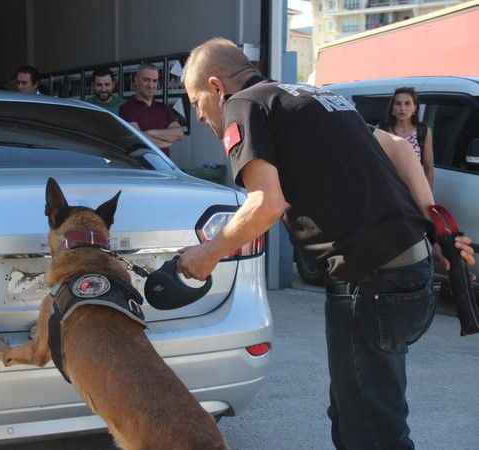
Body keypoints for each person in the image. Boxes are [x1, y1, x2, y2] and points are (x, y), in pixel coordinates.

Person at [177, 37, 475, 450]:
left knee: (371, 432)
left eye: (195, 102)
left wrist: (204, 256)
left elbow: (265, 205)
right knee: (360, 412)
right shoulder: (312, 96)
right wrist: (434, 221)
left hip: (370, 281)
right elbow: (395, 148)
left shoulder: (242, 105)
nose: (200, 116)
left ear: (215, 86)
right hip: (409, 271)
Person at [119, 64, 184, 156]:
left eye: (154, 81)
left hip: (163, 166)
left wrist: (150, 133)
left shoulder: (163, 108)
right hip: (141, 166)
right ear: (136, 81)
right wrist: (166, 143)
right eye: (146, 80)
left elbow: (179, 133)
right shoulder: (127, 108)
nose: (151, 85)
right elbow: (138, 139)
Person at [383, 87, 434, 187]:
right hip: (389, 189)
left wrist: (428, 197)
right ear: (392, 108)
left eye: (407, 103)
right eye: (398, 103)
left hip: (415, 189)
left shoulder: (423, 131)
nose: (402, 108)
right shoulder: (384, 131)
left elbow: (428, 167)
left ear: (414, 108)